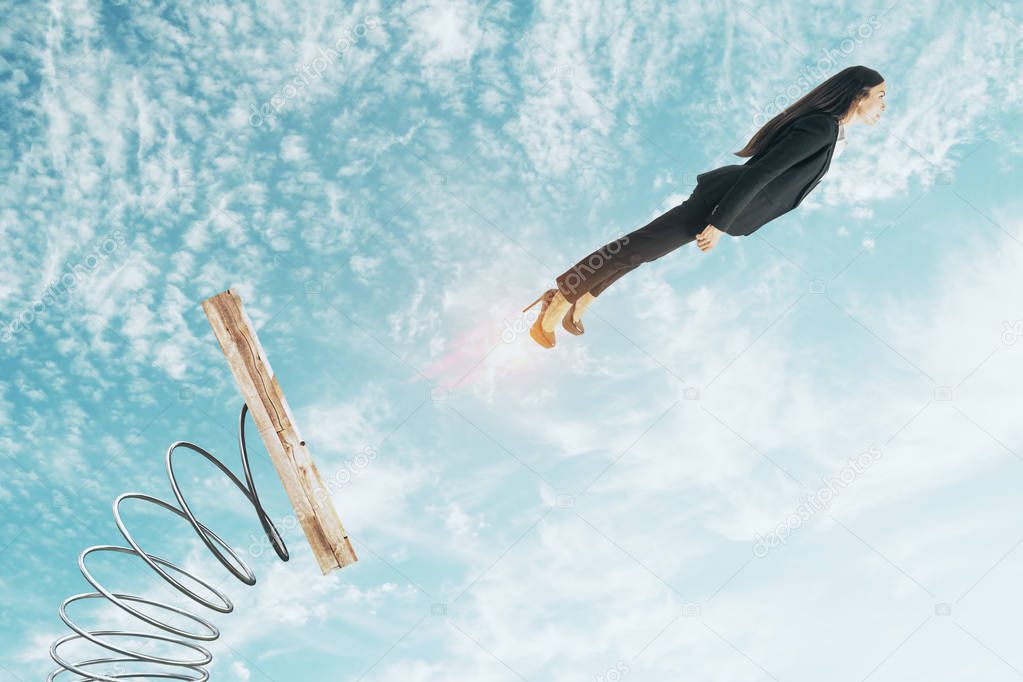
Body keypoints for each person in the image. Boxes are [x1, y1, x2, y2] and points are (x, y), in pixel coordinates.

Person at [523, 65, 886, 349]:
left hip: (726, 203)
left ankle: (583, 296)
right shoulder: (823, 127)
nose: (883, 106)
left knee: (643, 251)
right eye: (881, 96)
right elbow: (763, 172)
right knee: (638, 247)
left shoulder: (834, 134)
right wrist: (719, 222)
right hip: (720, 201)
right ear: (859, 94)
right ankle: (560, 298)